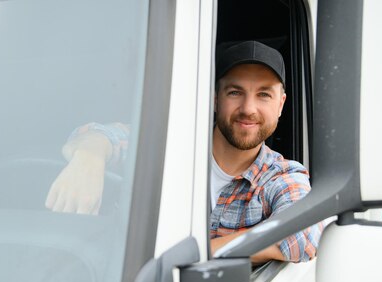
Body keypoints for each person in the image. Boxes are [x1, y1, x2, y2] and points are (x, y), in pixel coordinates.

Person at [45, 40, 322, 263]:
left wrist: (184, 260)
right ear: (215, 98)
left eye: (264, 94)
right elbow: (103, 135)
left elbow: (302, 235)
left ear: (281, 104)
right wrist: (90, 158)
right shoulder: (173, 147)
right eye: (235, 92)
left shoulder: (281, 176)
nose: (249, 108)